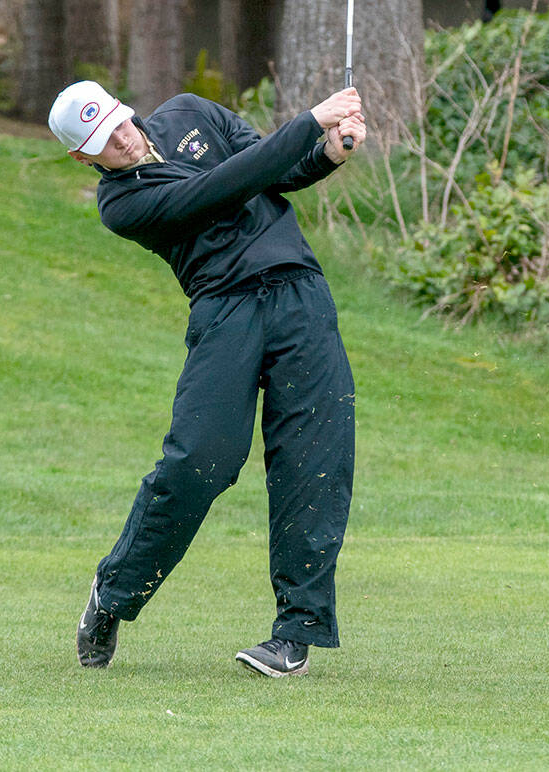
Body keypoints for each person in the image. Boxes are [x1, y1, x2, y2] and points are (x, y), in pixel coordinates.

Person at [47, 80, 366, 677]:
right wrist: (309, 120)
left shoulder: (192, 113)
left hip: (299, 290)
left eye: (116, 121)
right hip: (226, 309)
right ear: (82, 157)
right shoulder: (121, 205)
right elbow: (224, 185)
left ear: (123, 106)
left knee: (315, 457)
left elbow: (273, 170)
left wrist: (327, 152)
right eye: (100, 141)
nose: (119, 138)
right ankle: (113, 595)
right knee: (201, 461)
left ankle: (296, 632)